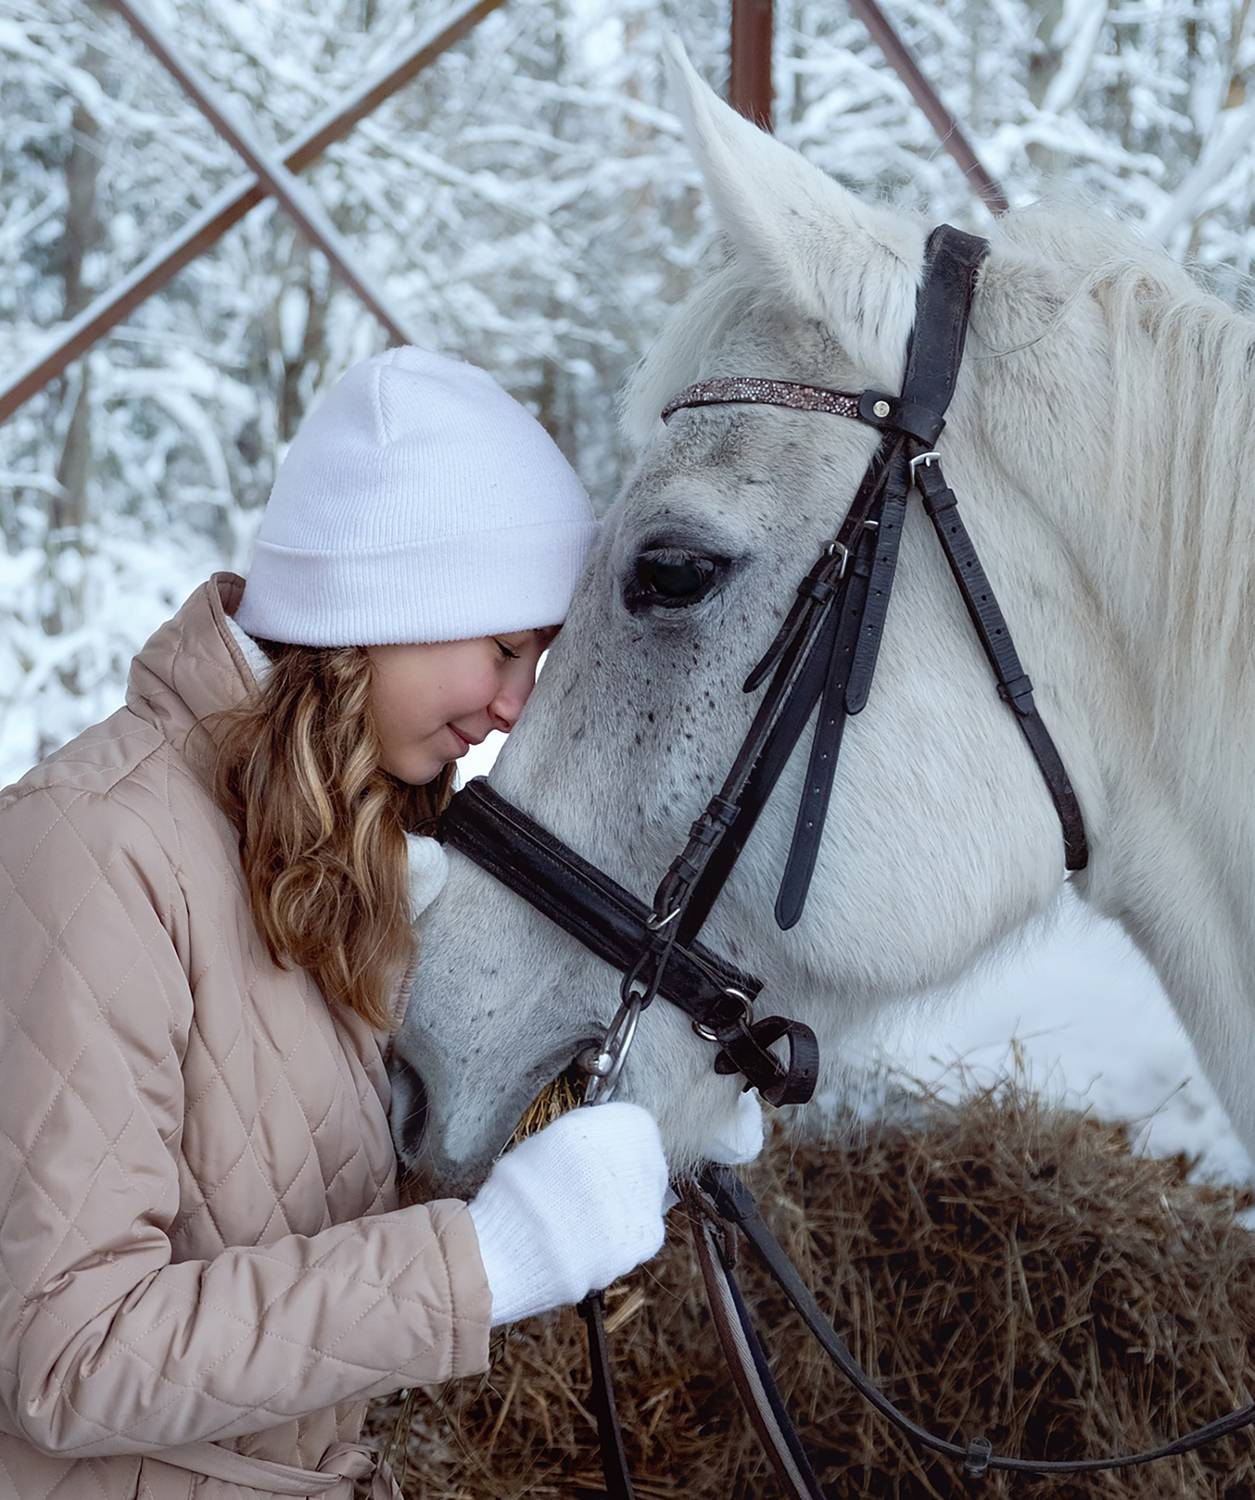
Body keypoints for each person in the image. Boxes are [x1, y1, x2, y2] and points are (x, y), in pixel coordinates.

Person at [0, 347, 762, 1499]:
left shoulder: (338, 840)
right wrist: (479, 1266)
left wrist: (653, 1110)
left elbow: (305, 1208)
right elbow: (67, 1355)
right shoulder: (96, 850)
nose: (515, 704)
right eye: (504, 648)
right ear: (386, 605)